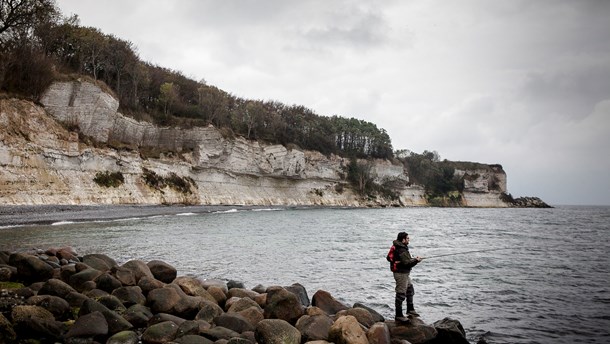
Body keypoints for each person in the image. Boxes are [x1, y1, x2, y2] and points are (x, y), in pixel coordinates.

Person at [389, 231, 422, 321]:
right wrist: (416, 260)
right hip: (401, 274)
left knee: (410, 290)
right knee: (401, 294)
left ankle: (410, 310)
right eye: (407, 238)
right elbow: (407, 263)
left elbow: (394, 259)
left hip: (404, 273)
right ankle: (399, 315)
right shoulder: (401, 249)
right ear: (403, 240)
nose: (409, 240)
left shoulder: (400, 247)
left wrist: (414, 259)